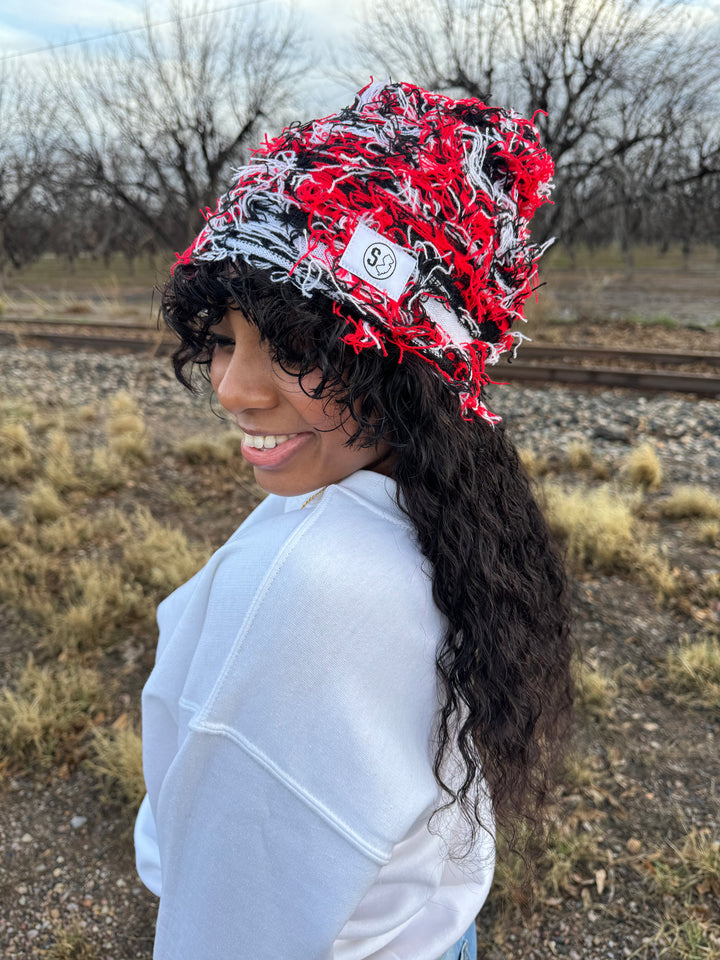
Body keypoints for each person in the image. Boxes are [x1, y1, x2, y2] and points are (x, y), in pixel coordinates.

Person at [134, 79, 573, 960]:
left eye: (295, 347)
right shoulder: (457, 510)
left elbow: (233, 923)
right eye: (221, 337)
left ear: (409, 365)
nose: (232, 388)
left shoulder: (301, 587)